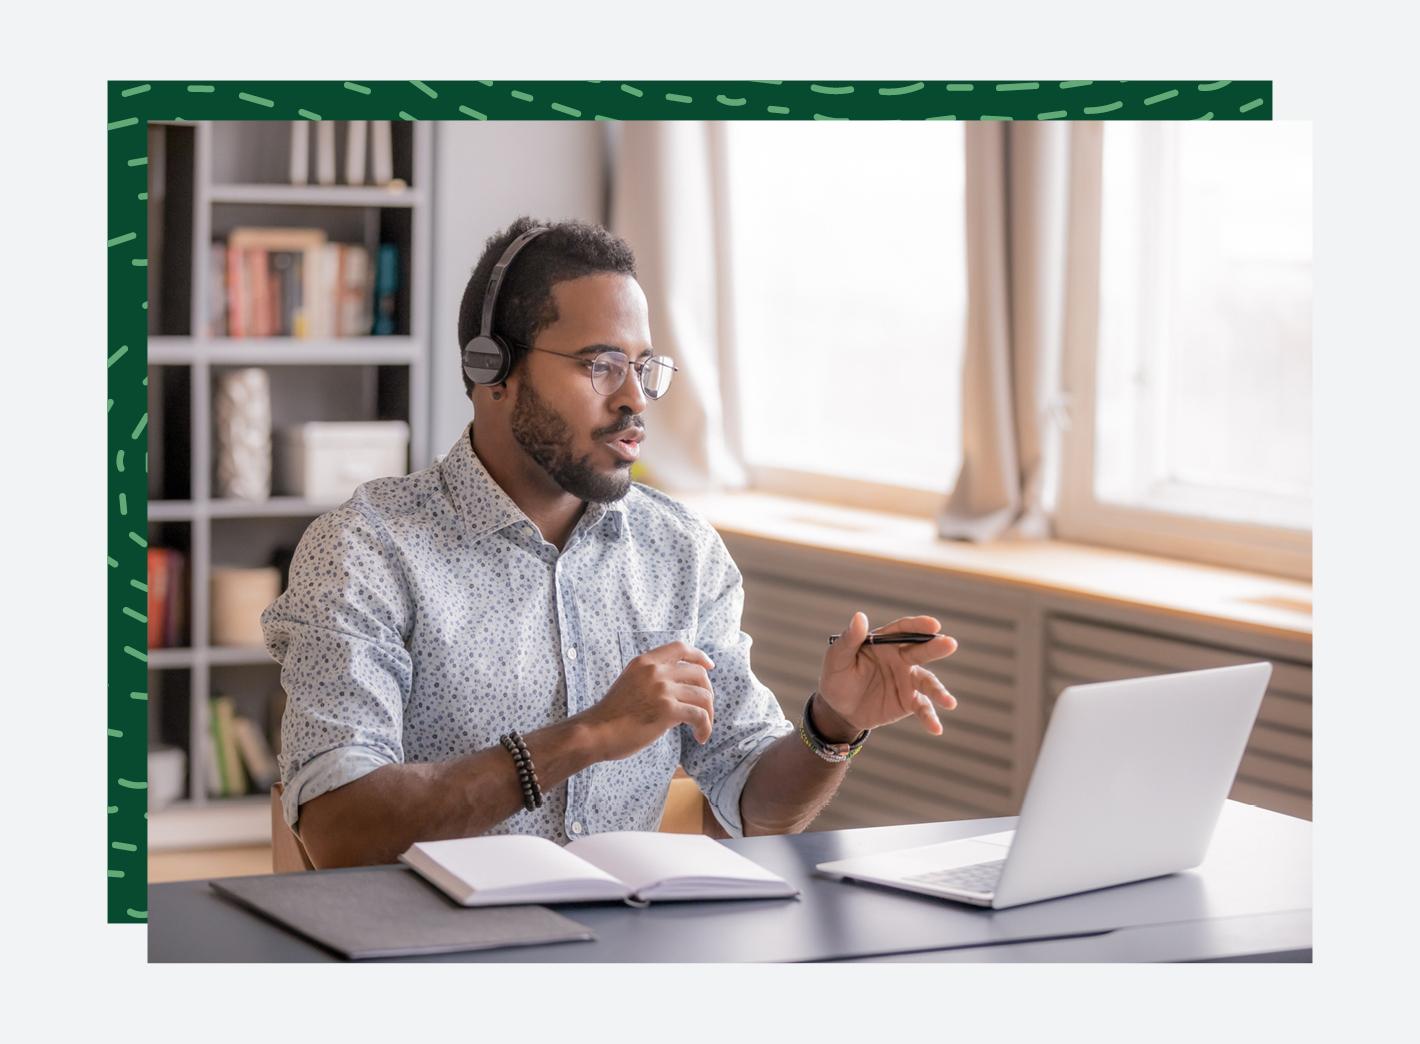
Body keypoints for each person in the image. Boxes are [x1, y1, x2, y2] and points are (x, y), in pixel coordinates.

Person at [261, 216, 960, 868]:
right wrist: (587, 736)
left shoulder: (680, 552)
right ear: (491, 369)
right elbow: (338, 830)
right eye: (600, 365)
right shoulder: (367, 551)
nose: (635, 399)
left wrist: (832, 727)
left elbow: (754, 803)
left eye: (644, 367)